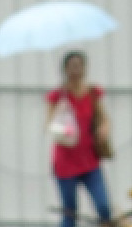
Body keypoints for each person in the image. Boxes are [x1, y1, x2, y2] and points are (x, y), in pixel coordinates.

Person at [46, 51, 113, 227]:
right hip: (66, 162)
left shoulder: (92, 93)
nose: (75, 71)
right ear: (65, 70)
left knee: (104, 207)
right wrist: (61, 112)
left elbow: (104, 117)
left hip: (89, 159)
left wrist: (104, 129)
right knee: (70, 212)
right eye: (71, 67)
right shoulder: (58, 97)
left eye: (78, 66)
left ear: (84, 69)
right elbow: (50, 126)